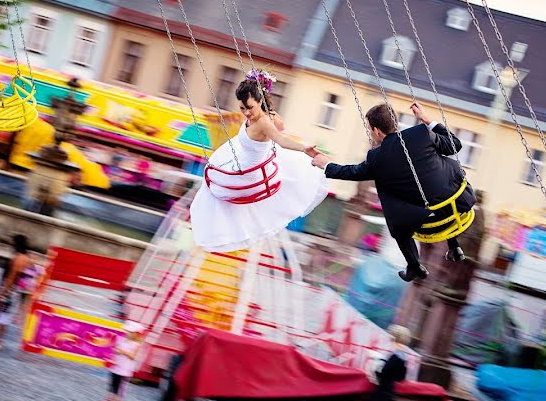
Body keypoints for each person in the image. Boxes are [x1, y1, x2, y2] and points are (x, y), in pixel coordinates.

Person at [311, 102, 476, 282]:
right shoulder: (421, 133)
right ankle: (454, 247)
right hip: (460, 205)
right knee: (440, 172)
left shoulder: (376, 157)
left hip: (430, 221)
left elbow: (352, 172)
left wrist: (325, 164)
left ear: (376, 130)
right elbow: (455, 145)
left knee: (390, 197)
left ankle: (414, 265)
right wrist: (427, 119)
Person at [190, 70, 328, 252]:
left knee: (217, 190)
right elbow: (278, 127)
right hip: (241, 161)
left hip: (248, 172)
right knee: (212, 187)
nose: (246, 112)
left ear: (260, 102)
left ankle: (224, 232)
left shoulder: (263, 122)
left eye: (250, 107)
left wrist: (304, 149)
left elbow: (281, 139)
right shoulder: (259, 118)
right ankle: (216, 229)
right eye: (242, 108)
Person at [0, 234, 32, 349]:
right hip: (15, 290)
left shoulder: (18, 258)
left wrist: (2, 291)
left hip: (6, 288)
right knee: (5, 316)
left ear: (16, 244)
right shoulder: (27, 258)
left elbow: (11, 276)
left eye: (13, 242)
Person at [102, 321, 144, 401]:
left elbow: (133, 357)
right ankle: (110, 398)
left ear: (136, 334)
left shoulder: (136, 345)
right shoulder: (121, 339)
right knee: (113, 382)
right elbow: (115, 349)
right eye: (127, 331)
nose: (127, 333)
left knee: (121, 385)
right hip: (116, 365)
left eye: (130, 332)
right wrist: (115, 352)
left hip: (125, 368)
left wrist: (123, 352)